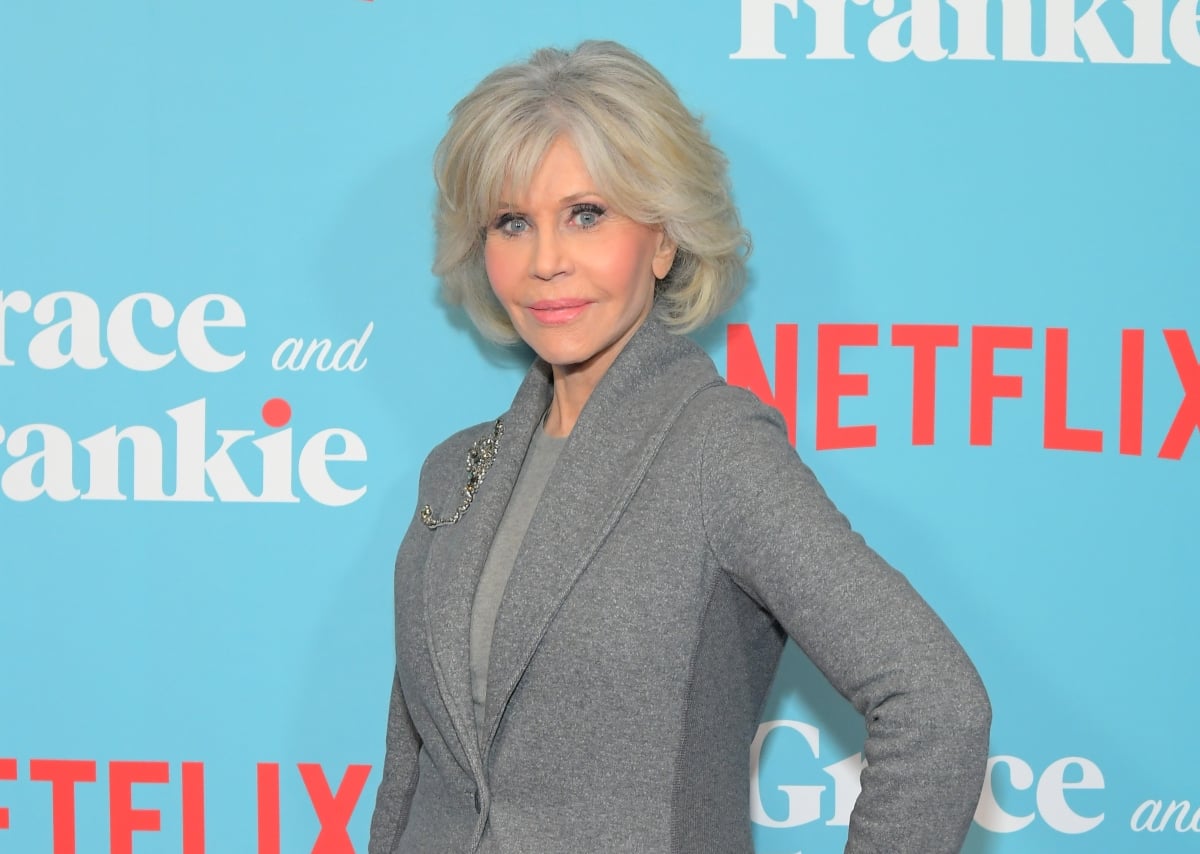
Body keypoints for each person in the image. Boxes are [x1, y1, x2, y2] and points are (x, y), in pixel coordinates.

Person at [369, 40, 991, 854]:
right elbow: (412, 771)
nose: (547, 261)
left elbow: (938, 707)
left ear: (663, 240)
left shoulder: (715, 450)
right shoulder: (457, 469)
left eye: (587, 214)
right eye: (512, 222)